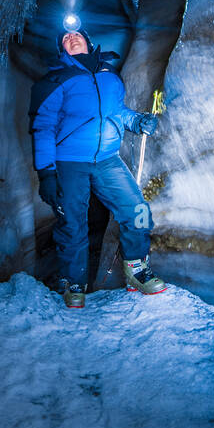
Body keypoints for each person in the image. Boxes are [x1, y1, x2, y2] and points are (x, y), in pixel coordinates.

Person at [30, 25, 167, 309]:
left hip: (107, 159)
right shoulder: (56, 80)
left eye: (77, 34)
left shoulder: (109, 78)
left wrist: (137, 121)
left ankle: (136, 270)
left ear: (88, 42)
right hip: (69, 162)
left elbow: (117, 112)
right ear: (62, 50)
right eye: (66, 38)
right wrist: (46, 173)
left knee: (135, 209)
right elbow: (43, 127)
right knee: (72, 221)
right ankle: (74, 282)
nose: (72, 37)